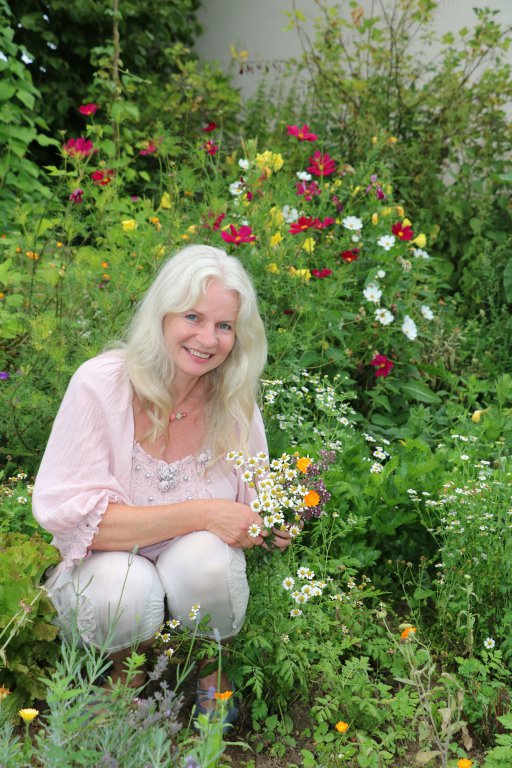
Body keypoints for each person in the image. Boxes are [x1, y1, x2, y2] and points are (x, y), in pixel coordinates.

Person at [33, 243, 291, 720]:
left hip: (188, 578)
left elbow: (259, 502)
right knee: (123, 584)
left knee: (209, 561)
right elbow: (80, 524)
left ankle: (211, 672)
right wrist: (205, 513)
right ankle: (124, 679)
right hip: (105, 574)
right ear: (163, 315)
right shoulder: (100, 384)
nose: (207, 339)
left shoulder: (234, 400)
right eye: (193, 317)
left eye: (224, 325)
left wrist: (274, 522)